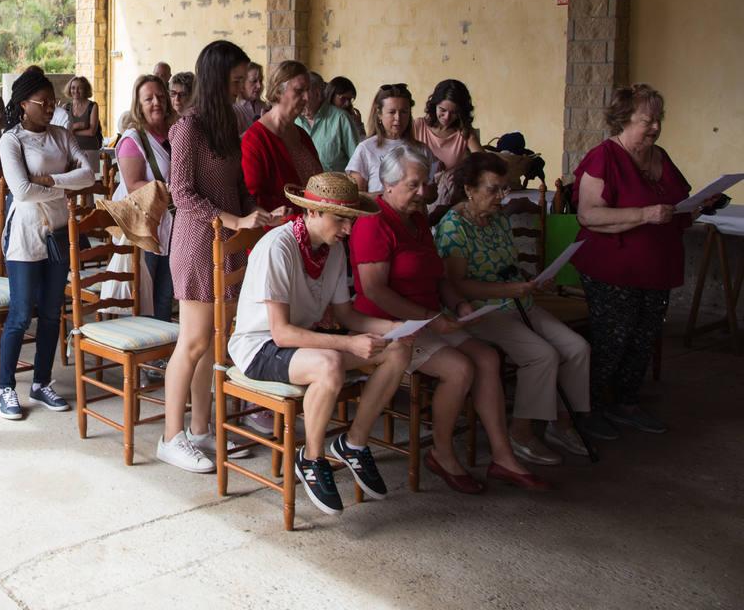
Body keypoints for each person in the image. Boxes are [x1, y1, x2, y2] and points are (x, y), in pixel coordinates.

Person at [351, 145, 545, 493]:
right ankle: (442, 453)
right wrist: (432, 317)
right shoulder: (373, 222)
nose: (422, 192)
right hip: (394, 324)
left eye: (425, 183)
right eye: (414, 184)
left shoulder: (418, 219)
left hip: (431, 316)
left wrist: (458, 305)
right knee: (460, 369)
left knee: (487, 357)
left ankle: (502, 455)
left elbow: (440, 277)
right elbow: (375, 291)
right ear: (388, 185)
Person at [230, 172, 407, 515]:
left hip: (305, 342)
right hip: (259, 347)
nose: (347, 229)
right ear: (312, 213)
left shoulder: (333, 250)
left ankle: (354, 443)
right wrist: (349, 346)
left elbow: (347, 315)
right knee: (330, 364)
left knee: (398, 349)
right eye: (341, 220)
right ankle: (311, 457)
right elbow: (281, 333)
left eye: (351, 221)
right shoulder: (277, 247)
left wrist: (393, 327)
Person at [159, 40, 276, 474]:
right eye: (235, 79)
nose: (242, 86)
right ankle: (171, 437)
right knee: (191, 343)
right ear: (215, 79)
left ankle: (202, 429)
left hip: (224, 240)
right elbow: (182, 194)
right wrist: (235, 219)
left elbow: (236, 184)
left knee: (211, 342)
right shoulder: (187, 127)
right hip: (195, 244)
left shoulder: (230, 119)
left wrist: (255, 212)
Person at [436, 151, 591, 463]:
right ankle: (520, 433)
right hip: (482, 310)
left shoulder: (498, 220)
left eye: (504, 189)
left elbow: (510, 267)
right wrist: (512, 289)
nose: (501, 197)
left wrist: (534, 281)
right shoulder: (454, 227)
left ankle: (562, 424)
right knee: (540, 355)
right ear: (470, 189)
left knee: (577, 347)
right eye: (493, 189)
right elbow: (456, 285)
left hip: (518, 300)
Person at [571, 84, 705, 436]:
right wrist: (645, 213)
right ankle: (590, 409)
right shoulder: (604, 156)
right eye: (648, 120)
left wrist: (699, 206)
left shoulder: (660, 156)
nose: (656, 127)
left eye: (659, 119)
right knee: (613, 339)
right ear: (623, 118)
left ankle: (626, 402)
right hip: (612, 267)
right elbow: (588, 215)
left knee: (643, 338)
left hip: (656, 266)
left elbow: (676, 205)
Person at [0, 67, 93, 420]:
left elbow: (89, 175)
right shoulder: (12, 140)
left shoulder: (62, 135)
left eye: (54, 101)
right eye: (44, 101)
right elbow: (20, 190)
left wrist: (49, 178)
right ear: (24, 104)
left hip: (58, 230)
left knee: (52, 312)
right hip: (24, 233)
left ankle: (41, 381)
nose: (52, 106)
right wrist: (64, 185)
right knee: (22, 314)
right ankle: (5, 386)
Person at [112, 74, 176, 321]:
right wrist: (172, 188)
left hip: (173, 222)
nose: (156, 102)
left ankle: (163, 352)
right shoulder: (134, 139)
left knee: (166, 291)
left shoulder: (174, 132)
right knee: (148, 292)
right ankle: (150, 351)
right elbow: (133, 184)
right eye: (148, 99)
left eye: (160, 96)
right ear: (138, 105)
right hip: (146, 224)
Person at [241, 60, 323, 213]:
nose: (306, 97)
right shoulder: (256, 140)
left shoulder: (302, 135)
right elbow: (254, 200)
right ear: (278, 91)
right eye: (299, 91)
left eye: (308, 90)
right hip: (282, 230)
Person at [346, 83, 435, 195]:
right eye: (392, 112)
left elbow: (431, 194)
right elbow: (357, 195)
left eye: (404, 112)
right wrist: (388, 197)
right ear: (379, 114)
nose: (398, 118)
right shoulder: (366, 149)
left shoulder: (422, 150)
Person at [297, 71, 362, 173]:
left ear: (317, 93)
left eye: (302, 92)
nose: (299, 98)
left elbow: (358, 164)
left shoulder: (341, 119)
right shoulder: (294, 120)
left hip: (335, 187)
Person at [415, 79, 484, 172]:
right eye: (442, 110)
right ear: (434, 105)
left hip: (450, 185)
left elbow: (484, 164)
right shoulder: (418, 126)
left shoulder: (465, 133)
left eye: (454, 112)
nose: (447, 117)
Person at [58, 76, 102, 171]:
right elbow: (61, 131)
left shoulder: (92, 106)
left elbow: (92, 132)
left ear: (85, 89)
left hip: (90, 150)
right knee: (73, 182)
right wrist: (77, 126)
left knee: (91, 182)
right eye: (73, 88)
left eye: (80, 88)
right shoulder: (65, 107)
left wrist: (72, 130)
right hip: (70, 152)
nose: (76, 91)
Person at [233, 61, 268, 134]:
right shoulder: (234, 109)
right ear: (242, 84)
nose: (259, 86)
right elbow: (233, 141)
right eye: (254, 81)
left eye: (260, 81)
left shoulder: (265, 107)